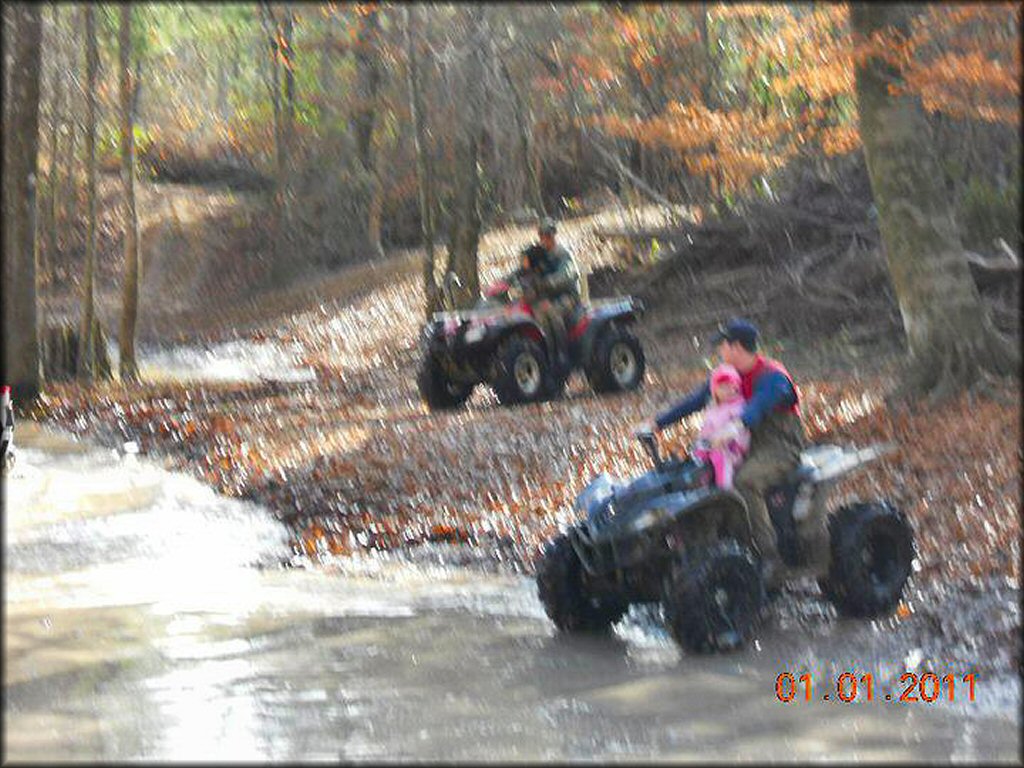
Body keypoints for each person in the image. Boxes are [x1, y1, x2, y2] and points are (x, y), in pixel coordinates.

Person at [635, 318, 805, 588]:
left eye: (723, 346)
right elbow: (696, 399)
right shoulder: (727, 376)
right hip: (738, 446)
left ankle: (770, 557)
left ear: (736, 347)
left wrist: (735, 426)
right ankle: (707, 546)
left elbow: (760, 405)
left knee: (744, 482)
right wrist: (656, 424)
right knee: (695, 480)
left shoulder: (773, 376)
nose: (720, 352)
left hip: (778, 446)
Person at [521, 217, 581, 371]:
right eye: (542, 235)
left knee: (553, 313)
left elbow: (567, 276)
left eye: (547, 235)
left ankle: (562, 353)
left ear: (553, 235)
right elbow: (524, 272)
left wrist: (546, 282)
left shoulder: (562, 254)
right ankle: (548, 355)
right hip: (549, 297)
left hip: (569, 296)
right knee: (538, 314)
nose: (544, 239)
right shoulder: (539, 255)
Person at [692, 364, 750, 490]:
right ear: (715, 391)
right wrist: (701, 445)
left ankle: (725, 490)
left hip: (732, 448)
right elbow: (706, 429)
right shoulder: (713, 409)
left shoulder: (738, 407)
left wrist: (726, 440)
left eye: (733, 386)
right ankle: (701, 484)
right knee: (698, 456)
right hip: (712, 445)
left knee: (720, 459)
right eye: (724, 387)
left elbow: (739, 429)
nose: (729, 390)